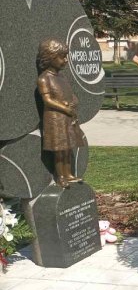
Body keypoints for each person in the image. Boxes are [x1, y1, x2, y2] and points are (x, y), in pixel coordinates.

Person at [37, 39, 85, 188]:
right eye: (62, 57)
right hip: (55, 119)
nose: (66, 60)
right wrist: (64, 108)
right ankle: (61, 177)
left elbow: (70, 94)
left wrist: (74, 102)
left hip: (67, 118)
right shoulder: (44, 78)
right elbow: (47, 100)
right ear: (50, 58)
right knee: (59, 150)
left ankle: (69, 173)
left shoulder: (62, 77)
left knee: (68, 147)